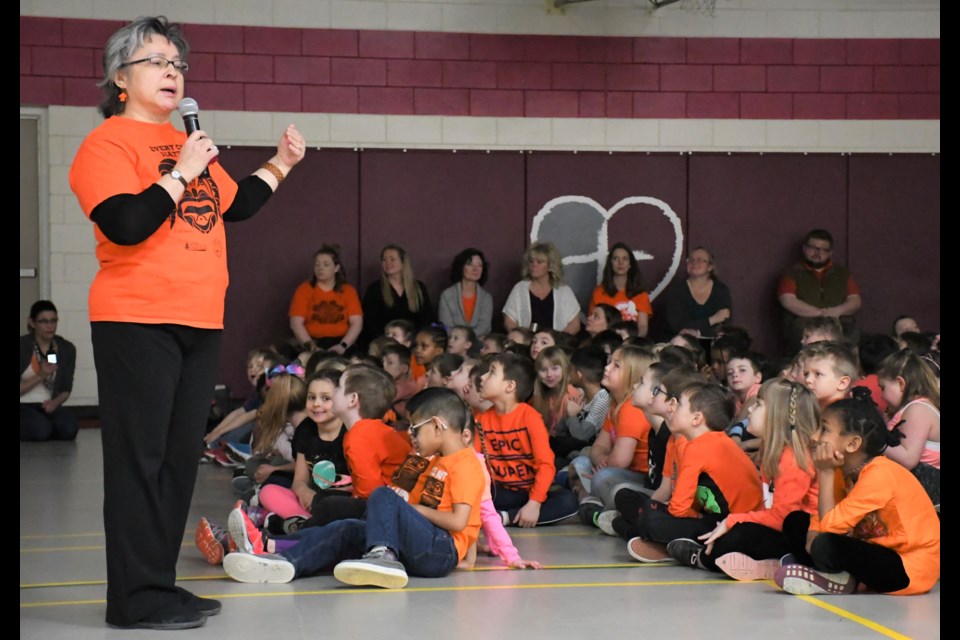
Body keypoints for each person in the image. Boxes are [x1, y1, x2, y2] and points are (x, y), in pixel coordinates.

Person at [67, 15, 305, 630]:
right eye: (156, 61)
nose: (172, 71)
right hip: (135, 319)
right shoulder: (108, 145)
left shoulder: (187, 145)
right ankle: (133, 598)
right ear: (121, 78)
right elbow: (124, 223)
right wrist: (179, 173)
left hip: (199, 322)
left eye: (178, 63)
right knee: (138, 460)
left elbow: (238, 204)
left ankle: (158, 585)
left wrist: (280, 163)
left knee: (177, 459)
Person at [221, 388, 486, 589]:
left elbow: (460, 521)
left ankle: (382, 556)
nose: (411, 437)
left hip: (439, 550)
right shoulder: (433, 462)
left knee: (383, 494)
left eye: (415, 429)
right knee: (346, 527)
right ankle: (279, 558)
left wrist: (408, 509)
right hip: (421, 543)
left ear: (438, 426)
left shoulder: (464, 464)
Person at [774, 390, 940, 596]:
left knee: (827, 544)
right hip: (872, 548)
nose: (814, 436)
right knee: (796, 521)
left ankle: (832, 575)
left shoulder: (880, 473)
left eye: (824, 429)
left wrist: (824, 473)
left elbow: (831, 527)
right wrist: (812, 533)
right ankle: (835, 576)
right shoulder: (843, 470)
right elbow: (824, 517)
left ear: (852, 444)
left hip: (908, 567)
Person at [670, 380, 819, 579]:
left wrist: (733, 520)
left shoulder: (793, 459)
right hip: (775, 529)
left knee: (736, 536)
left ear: (776, 416)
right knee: (729, 532)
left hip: (800, 538)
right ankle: (768, 563)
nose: (750, 410)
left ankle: (703, 558)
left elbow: (782, 518)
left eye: (758, 405)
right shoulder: (773, 452)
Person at [476, 353, 579, 526]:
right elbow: (474, 463)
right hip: (498, 492)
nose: (483, 377)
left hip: (528, 494)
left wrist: (534, 503)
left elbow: (546, 465)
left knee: (568, 501)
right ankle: (504, 516)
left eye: (491, 372)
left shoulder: (530, 417)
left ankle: (504, 518)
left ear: (510, 386)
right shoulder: (480, 420)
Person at [778, 229, 862, 352]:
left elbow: (855, 301)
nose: (818, 253)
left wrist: (836, 312)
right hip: (804, 325)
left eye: (823, 250)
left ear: (830, 253)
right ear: (804, 249)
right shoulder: (791, 273)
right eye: (813, 248)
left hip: (839, 323)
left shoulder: (842, 273)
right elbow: (787, 300)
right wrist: (820, 314)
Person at [877, 350, 940, 507]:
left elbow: (908, 459)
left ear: (900, 383)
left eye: (883, 387)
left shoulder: (918, 409)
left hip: (925, 497)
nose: (882, 396)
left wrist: (875, 439)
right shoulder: (918, 407)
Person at [20, 300, 78, 442]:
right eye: (44, 321)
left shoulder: (66, 348)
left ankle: (44, 426)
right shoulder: (22, 347)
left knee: (69, 429)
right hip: (23, 404)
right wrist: (41, 375)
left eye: (53, 321)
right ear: (32, 323)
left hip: (47, 405)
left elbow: (66, 388)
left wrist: (55, 403)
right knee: (40, 430)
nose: (50, 326)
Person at [288, 245, 363, 355]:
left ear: (336, 268)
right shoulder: (304, 289)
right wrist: (312, 347)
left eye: (326, 265)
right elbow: (296, 323)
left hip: (341, 342)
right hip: (312, 342)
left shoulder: (348, 291)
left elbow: (356, 323)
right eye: (317, 264)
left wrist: (343, 345)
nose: (320, 268)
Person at [361, 245, 433, 347]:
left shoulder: (418, 288)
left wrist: (411, 341)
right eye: (384, 260)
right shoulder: (375, 289)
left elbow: (426, 319)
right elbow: (369, 323)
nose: (387, 263)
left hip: (413, 344)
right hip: (384, 345)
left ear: (403, 262)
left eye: (392, 259)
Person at [503, 242, 581, 335]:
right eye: (531, 261)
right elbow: (509, 321)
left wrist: (557, 340)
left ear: (550, 266)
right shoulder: (520, 288)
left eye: (539, 262)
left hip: (555, 345)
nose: (534, 265)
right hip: (526, 345)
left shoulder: (564, 290)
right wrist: (521, 339)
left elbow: (575, 324)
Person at [662, 247, 733, 339]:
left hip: (714, 342)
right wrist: (712, 320)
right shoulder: (677, 290)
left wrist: (696, 330)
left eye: (700, 260)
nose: (694, 263)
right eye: (691, 260)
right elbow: (678, 326)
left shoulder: (721, 290)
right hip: (683, 344)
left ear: (710, 267)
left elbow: (724, 322)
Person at [589, 242, 653, 337]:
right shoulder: (599, 292)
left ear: (630, 264)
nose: (620, 262)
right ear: (610, 263)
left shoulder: (640, 294)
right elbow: (592, 325)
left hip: (631, 344)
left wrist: (630, 342)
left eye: (625, 259)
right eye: (616, 258)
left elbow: (643, 326)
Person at [438, 248, 494, 338]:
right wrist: (460, 339)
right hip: (453, 343)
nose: (475, 269)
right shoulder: (447, 295)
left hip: (478, 344)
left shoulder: (486, 298)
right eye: (470, 264)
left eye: (480, 265)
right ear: (461, 267)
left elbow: (485, 327)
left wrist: (467, 338)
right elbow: (446, 327)